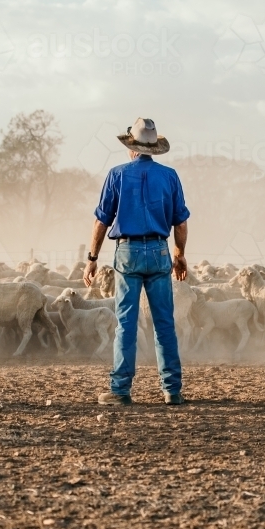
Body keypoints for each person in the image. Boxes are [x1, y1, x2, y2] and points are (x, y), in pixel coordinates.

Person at [83, 118, 190, 406]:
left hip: (128, 252)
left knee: (126, 323)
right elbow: (180, 222)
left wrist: (92, 258)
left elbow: (101, 220)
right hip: (158, 251)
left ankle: (120, 389)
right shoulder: (169, 176)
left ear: (132, 147)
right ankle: (172, 390)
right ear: (153, 148)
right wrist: (179, 255)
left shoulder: (116, 174)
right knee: (164, 323)